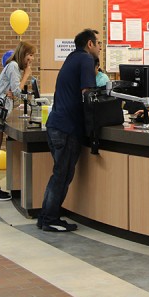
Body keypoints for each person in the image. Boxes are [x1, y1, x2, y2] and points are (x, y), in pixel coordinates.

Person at [38, 28, 101, 232]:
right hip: (67, 128)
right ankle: (50, 219)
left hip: (56, 125)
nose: (100, 47)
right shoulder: (85, 60)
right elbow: (88, 95)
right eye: (98, 43)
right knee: (62, 175)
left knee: (59, 174)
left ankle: (46, 217)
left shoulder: (71, 58)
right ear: (89, 44)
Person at [0, 41, 36, 201]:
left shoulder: (13, 67)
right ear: (23, 54)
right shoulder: (13, 66)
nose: (31, 59)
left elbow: (13, 92)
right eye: (30, 55)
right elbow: (17, 92)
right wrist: (26, 75)